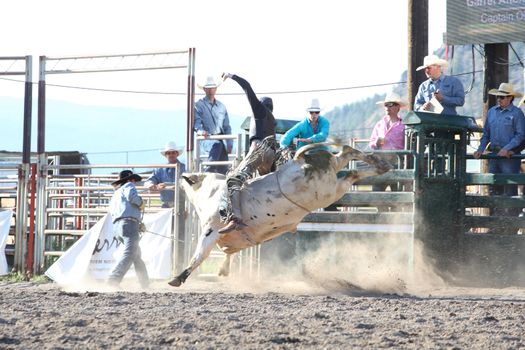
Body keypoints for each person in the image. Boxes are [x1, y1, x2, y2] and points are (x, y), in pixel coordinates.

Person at [218, 73, 278, 234]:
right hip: (271, 155)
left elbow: (247, 86)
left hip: (258, 149)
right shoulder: (272, 120)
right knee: (265, 185)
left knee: (233, 180)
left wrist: (231, 76)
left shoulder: (259, 110)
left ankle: (235, 218)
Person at [473, 83, 525, 219]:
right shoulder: (491, 112)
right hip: (494, 155)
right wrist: (480, 149)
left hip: (508, 156)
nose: (499, 99)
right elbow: (486, 134)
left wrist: (507, 149)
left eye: (502, 97)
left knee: (509, 187)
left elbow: (520, 135)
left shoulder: (517, 113)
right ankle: (496, 217)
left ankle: (510, 219)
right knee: (494, 185)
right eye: (498, 97)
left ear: (510, 98)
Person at [107, 170, 149, 289]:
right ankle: (113, 279)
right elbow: (132, 197)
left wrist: (136, 222)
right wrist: (141, 203)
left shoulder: (115, 194)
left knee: (136, 254)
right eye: (134, 180)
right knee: (130, 253)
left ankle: (145, 283)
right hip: (128, 223)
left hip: (118, 226)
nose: (134, 183)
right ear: (131, 180)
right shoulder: (128, 186)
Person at [194, 76, 233, 175]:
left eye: (213, 87)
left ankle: (217, 175)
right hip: (207, 138)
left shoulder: (221, 106)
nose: (211, 90)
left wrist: (229, 143)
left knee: (223, 166)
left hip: (220, 138)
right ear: (204, 89)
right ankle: (207, 172)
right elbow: (197, 123)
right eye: (208, 88)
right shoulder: (198, 105)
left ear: (216, 89)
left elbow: (226, 126)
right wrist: (201, 131)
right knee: (217, 145)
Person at [369, 92, 406, 192]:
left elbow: (407, 145)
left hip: (397, 163)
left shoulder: (404, 126)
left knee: (397, 192)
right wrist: (376, 143)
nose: (387, 107)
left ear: (398, 107)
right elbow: (371, 142)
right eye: (386, 105)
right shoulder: (379, 124)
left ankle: (395, 207)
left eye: (391, 104)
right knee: (377, 192)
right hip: (381, 163)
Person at [144, 141, 186, 208]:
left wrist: (165, 185)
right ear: (166, 155)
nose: (171, 155)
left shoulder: (184, 168)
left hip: (182, 204)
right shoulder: (160, 169)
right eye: (169, 153)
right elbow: (149, 181)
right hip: (166, 205)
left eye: (173, 153)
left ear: (177, 154)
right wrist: (152, 185)